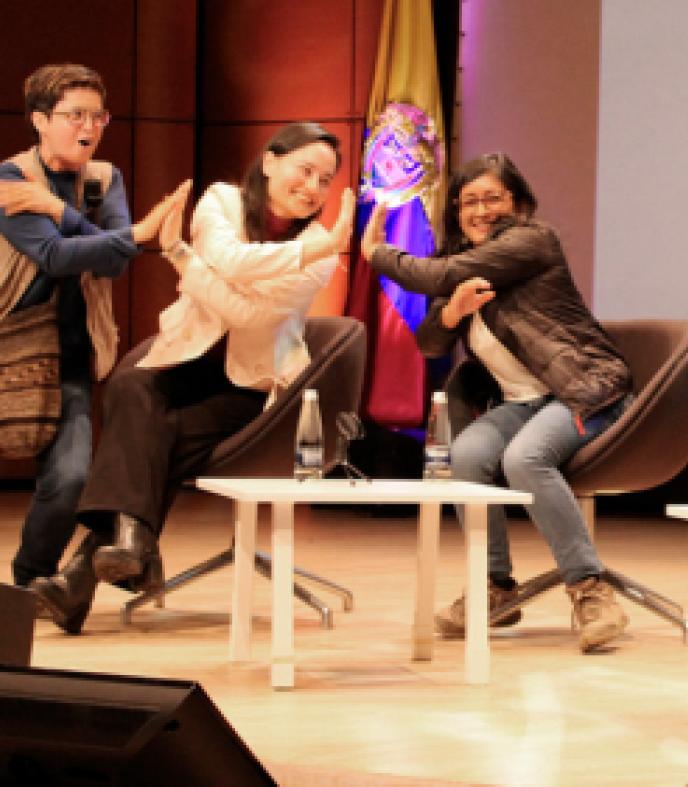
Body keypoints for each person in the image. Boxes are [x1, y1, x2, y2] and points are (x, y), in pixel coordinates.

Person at [30, 122, 355, 633]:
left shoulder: (320, 249)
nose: (313, 188)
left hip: (250, 386)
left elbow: (250, 319)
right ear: (270, 161)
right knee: (132, 386)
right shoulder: (220, 202)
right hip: (187, 359)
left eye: (325, 180)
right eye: (305, 170)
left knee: (157, 432)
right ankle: (130, 543)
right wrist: (218, 268)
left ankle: (98, 566)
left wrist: (182, 256)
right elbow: (228, 260)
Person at [362, 152, 634, 653]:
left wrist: (377, 253)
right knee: (465, 457)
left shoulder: (532, 242)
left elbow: (438, 274)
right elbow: (429, 344)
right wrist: (452, 316)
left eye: (493, 198)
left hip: (585, 389)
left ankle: (590, 591)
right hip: (522, 403)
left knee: (524, 458)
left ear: (519, 203)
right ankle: (495, 589)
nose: (481, 210)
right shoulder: (467, 263)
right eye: (470, 202)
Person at [1, 64, 183, 592]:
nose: (89, 126)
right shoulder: (12, 179)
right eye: (74, 115)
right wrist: (133, 234)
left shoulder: (103, 179)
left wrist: (58, 208)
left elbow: (112, 262)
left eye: (97, 115)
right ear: (39, 119)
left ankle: (27, 585)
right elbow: (55, 255)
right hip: (10, 341)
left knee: (71, 478)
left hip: (71, 351)